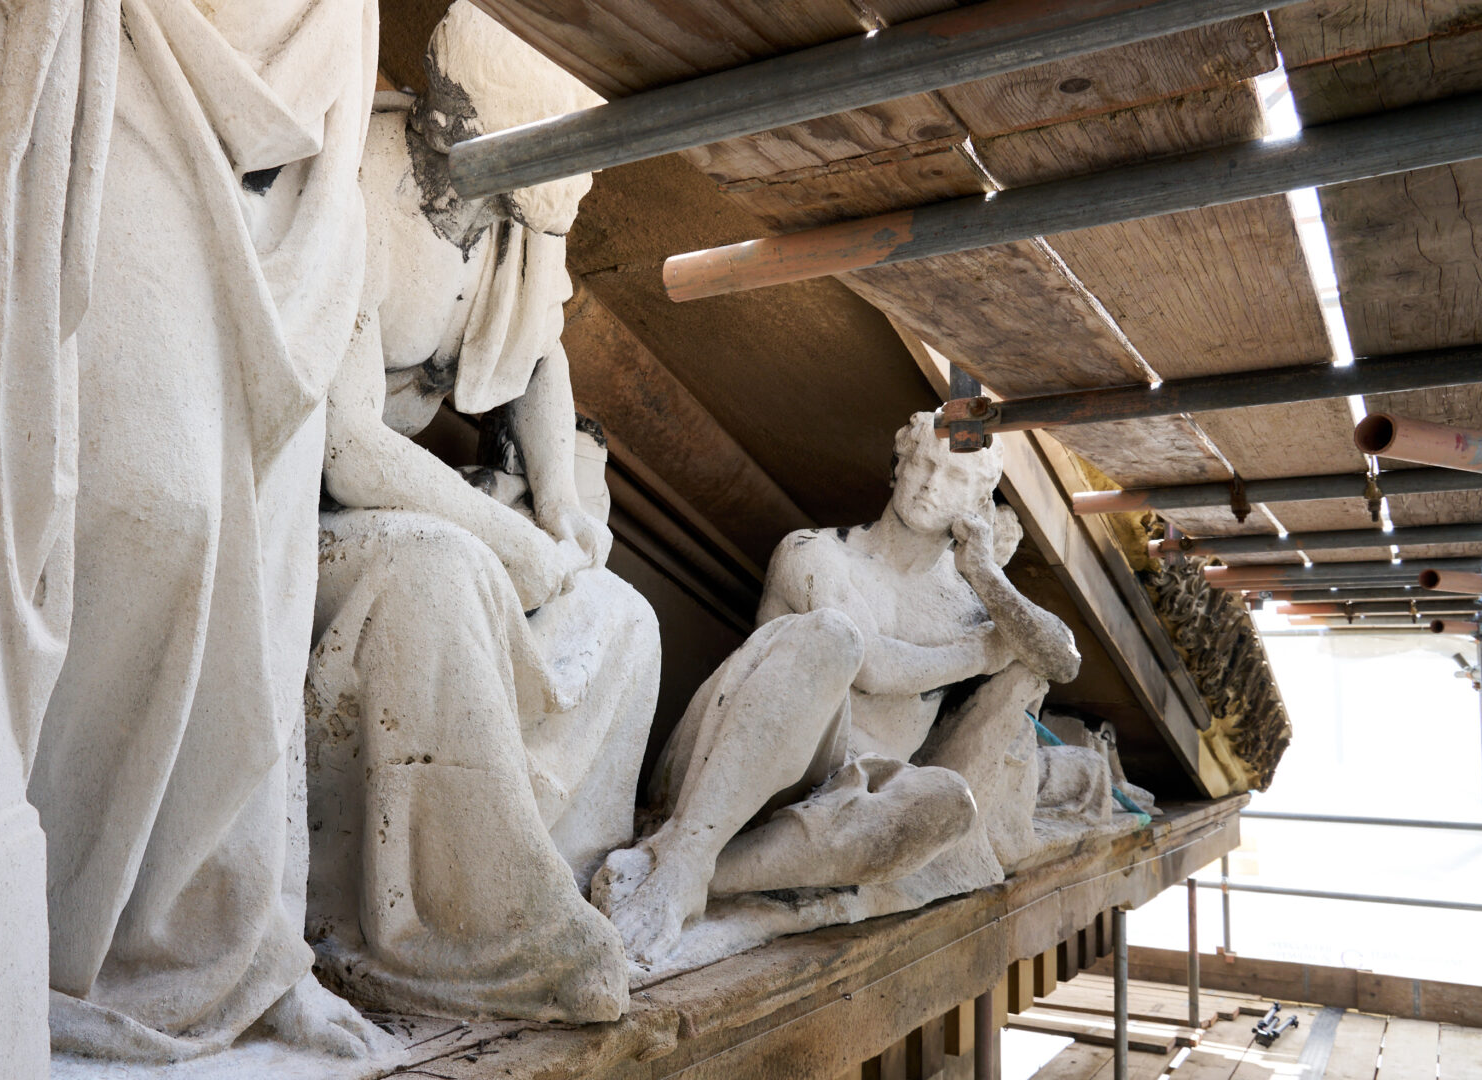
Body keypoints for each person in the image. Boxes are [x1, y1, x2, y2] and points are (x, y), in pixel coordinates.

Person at [11, 0, 385, 1061]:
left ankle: (235, 947)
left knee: (261, 582)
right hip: (141, 58)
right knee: (154, 503)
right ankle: (38, 933)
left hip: (310, 150)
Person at [301, 1, 661, 1022]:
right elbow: (346, 447)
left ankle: (539, 866)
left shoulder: (514, 215)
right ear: (451, 128)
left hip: (412, 513)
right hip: (302, 523)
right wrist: (508, 540)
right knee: (438, 566)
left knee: (624, 617)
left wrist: (560, 507)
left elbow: (539, 352)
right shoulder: (359, 184)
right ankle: (461, 928)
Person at [594, 412, 1084, 966]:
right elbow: (872, 665)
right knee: (834, 636)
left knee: (949, 804)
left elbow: (1062, 659)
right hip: (734, 777)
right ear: (897, 465)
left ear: (977, 504)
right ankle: (686, 854)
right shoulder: (814, 552)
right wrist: (984, 651)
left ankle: (702, 878)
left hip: (841, 812)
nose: (927, 483)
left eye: (951, 478)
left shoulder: (969, 604)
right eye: (920, 463)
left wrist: (990, 579)